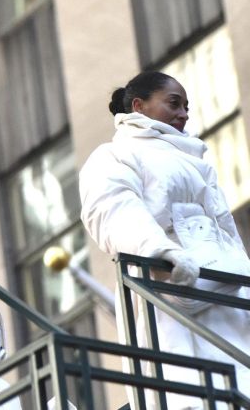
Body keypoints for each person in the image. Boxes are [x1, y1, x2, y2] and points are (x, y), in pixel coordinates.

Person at [79, 71, 250, 408]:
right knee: (193, 389)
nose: (184, 113)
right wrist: (159, 251)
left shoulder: (198, 163)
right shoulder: (114, 155)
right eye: (174, 103)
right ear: (139, 106)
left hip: (226, 292)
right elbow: (112, 207)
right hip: (172, 294)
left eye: (186, 106)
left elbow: (229, 238)